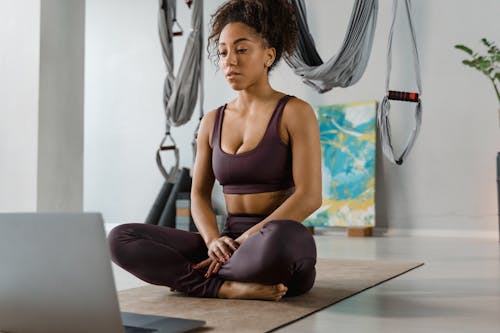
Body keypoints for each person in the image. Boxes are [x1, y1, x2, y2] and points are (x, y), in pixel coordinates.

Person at [108, 0, 322, 301]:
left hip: (269, 244)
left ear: (268, 55)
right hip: (227, 243)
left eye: (242, 49)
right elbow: (198, 195)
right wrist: (213, 241)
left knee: (285, 240)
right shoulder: (212, 121)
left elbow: (309, 196)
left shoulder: (295, 112)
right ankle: (225, 287)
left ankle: (189, 278)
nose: (229, 60)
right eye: (222, 52)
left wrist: (247, 240)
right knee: (119, 238)